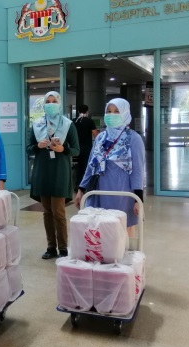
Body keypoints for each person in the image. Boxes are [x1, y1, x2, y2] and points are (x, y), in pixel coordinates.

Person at [74, 98, 146, 234]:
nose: (111, 115)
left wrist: (139, 199)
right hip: (99, 192)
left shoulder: (133, 138)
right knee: (99, 232)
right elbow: (91, 165)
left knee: (120, 231)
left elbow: (138, 170)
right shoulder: (101, 138)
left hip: (121, 193)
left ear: (125, 114)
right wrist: (81, 189)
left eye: (116, 111)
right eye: (109, 111)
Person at [27, 91, 80, 259]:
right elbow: (29, 148)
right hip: (42, 171)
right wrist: (38, 146)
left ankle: (63, 248)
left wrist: (63, 149)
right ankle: (51, 247)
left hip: (60, 172)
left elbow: (76, 150)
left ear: (59, 103)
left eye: (54, 101)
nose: (51, 104)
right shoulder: (37, 124)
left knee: (58, 212)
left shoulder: (68, 124)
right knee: (47, 212)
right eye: (48, 101)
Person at [72, 104, 98, 190]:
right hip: (87, 147)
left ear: (78, 111)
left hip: (76, 148)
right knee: (86, 167)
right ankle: (84, 186)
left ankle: (77, 184)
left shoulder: (74, 121)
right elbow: (95, 135)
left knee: (79, 166)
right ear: (87, 112)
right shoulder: (89, 121)